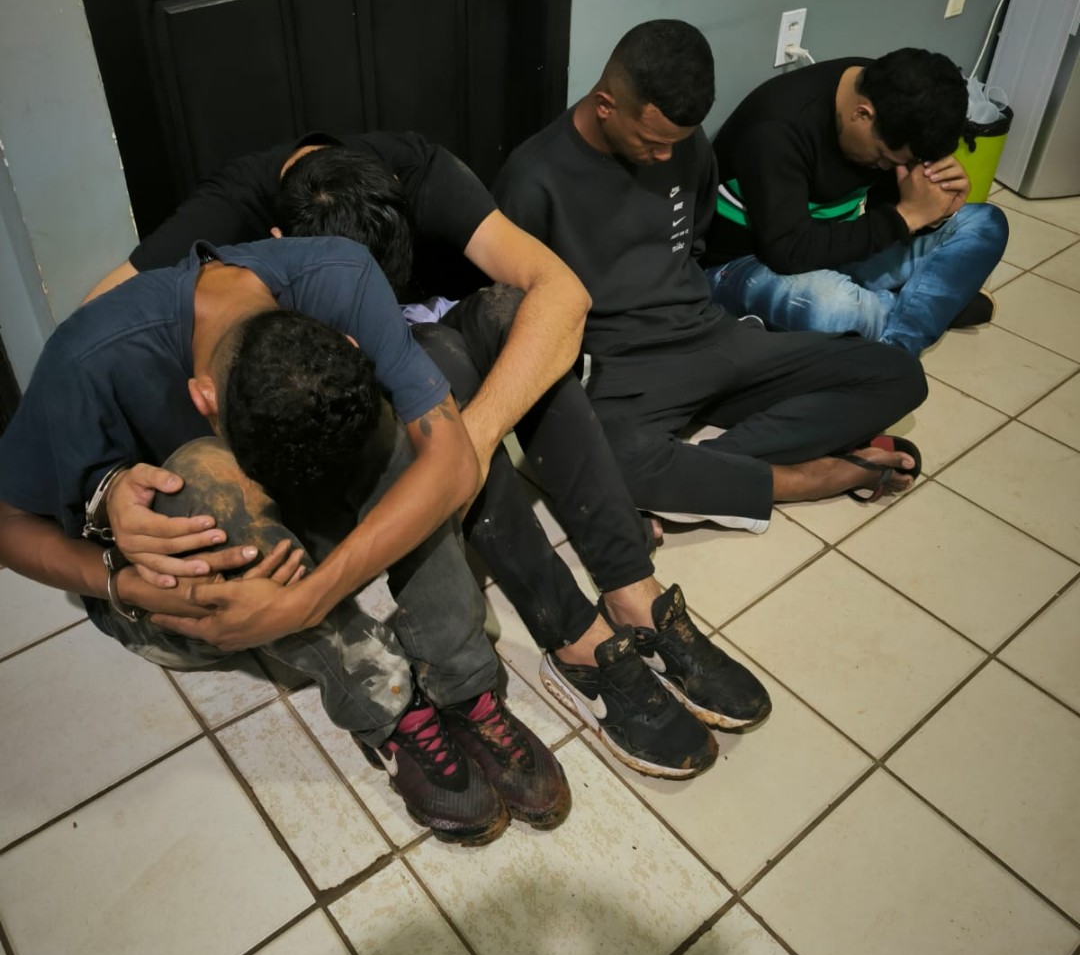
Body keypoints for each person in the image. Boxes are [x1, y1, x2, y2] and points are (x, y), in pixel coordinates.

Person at [84, 132, 770, 780]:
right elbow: (94, 323)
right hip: (332, 399)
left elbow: (564, 293)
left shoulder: (417, 171)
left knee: (510, 315)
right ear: (280, 246)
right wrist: (114, 484)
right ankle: (576, 637)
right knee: (436, 357)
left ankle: (631, 591)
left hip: (422, 365)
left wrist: (468, 445)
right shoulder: (229, 211)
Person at [0, 236, 570, 845]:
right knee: (202, 480)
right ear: (202, 398)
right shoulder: (87, 358)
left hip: (294, 566)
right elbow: (8, 527)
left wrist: (308, 598)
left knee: (407, 433)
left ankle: (463, 685)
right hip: (179, 592)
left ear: (345, 341)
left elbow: (452, 464)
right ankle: (388, 707)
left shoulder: (340, 276)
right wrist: (126, 584)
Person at [492, 20, 929, 536]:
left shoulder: (685, 144)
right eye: (651, 142)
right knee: (607, 457)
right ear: (606, 105)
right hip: (618, 368)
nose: (664, 156)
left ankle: (709, 468)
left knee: (897, 373)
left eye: (675, 143)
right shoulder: (533, 178)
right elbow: (510, 315)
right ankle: (802, 477)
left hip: (710, 336)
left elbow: (693, 246)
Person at [701, 49, 1009, 354]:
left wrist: (936, 210)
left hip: (840, 244)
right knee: (834, 309)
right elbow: (788, 252)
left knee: (986, 224)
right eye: (884, 158)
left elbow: (882, 207)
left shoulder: (899, 103)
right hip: (748, 263)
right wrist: (907, 217)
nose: (886, 168)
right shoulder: (776, 129)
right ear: (862, 114)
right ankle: (924, 307)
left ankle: (896, 339)